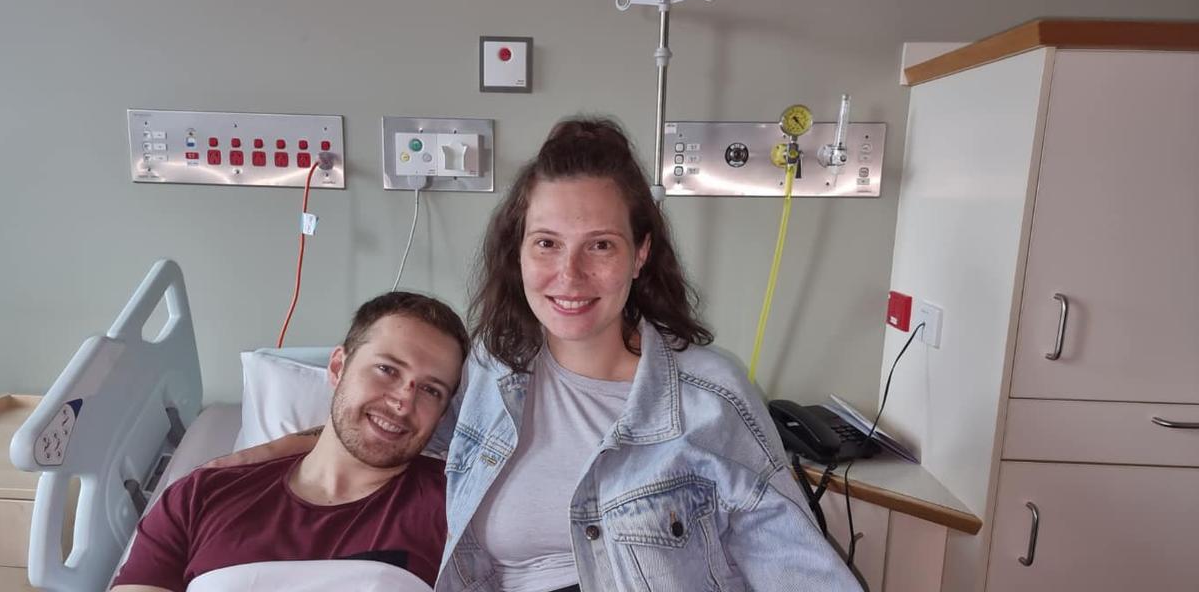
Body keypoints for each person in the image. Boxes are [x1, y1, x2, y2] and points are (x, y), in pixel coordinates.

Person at [222, 118, 860, 591]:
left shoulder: (707, 397)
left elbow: (799, 569)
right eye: (547, 243)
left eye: (601, 246)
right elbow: (388, 427)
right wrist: (253, 458)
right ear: (519, 253)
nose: (570, 275)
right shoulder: (489, 379)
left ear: (640, 255)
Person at [110, 291, 469, 592]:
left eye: (431, 390)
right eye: (387, 369)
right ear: (337, 367)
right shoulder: (200, 496)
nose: (404, 402)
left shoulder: (459, 509)